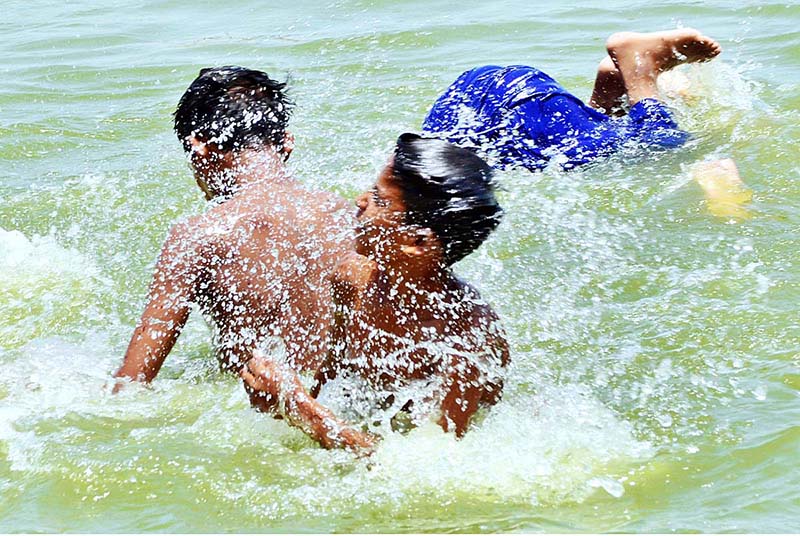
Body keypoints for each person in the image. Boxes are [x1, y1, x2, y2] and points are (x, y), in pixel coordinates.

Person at [240, 133, 510, 449]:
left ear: (416, 243)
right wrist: (283, 405)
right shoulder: (351, 278)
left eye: (380, 199)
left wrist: (299, 406)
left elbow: (426, 467)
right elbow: (330, 379)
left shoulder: (466, 338)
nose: (360, 200)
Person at [113, 66, 355, 398]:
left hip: (263, 415)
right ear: (286, 143)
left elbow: (131, 386)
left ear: (199, 149)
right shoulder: (351, 216)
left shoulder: (199, 236)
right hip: (347, 404)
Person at [422, 29, 723, 172]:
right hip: (484, 92)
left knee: (666, 148)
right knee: (589, 147)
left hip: (509, 101)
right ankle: (616, 93)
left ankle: (641, 75)